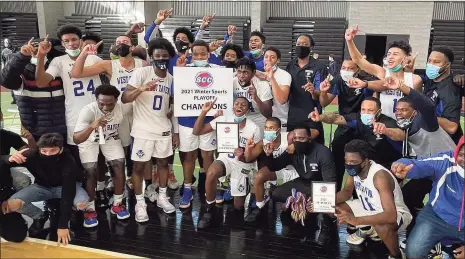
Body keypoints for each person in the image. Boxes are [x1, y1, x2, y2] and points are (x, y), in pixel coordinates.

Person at [122, 38, 178, 221]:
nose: (161, 58)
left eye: (164, 55)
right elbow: (125, 98)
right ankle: (140, 203)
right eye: (157, 55)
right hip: (142, 131)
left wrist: (175, 131)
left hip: (163, 129)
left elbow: (173, 106)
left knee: (163, 164)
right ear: (152, 56)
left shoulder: (171, 79)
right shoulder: (142, 73)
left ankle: (162, 196)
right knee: (138, 167)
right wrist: (142, 88)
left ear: (169, 57)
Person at [2, 133, 89, 245]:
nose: (48, 154)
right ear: (39, 149)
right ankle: (40, 216)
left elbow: (68, 192)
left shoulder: (69, 161)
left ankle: (71, 210)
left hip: (64, 187)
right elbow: (5, 163)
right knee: (11, 204)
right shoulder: (32, 157)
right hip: (42, 187)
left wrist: (62, 225)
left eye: (52, 151)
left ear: (61, 150)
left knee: (82, 203)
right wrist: (8, 158)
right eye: (44, 151)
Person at [331, 139, 411, 259]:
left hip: (396, 213)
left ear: (365, 161)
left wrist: (356, 220)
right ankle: (368, 227)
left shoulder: (379, 177)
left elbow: (390, 215)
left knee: (382, 225)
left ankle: (397, 255)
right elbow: (347, 192)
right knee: (331, 207)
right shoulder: (354, 171)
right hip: (368, 207)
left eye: (353, 161)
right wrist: (325, 200)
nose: (349, 164)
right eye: (346, 161)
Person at [35, 25, 103, 165]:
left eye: (74, 39)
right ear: (62, 43)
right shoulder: (59, 62)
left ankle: (101, 184)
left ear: (81, 41)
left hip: (97, 112)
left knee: (101, 152)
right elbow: (41, 82)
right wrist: (41, 55)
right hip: (74, 114)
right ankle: (81, 184)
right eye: (66, 41)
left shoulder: (94, 59)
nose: (71, 43)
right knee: (78, 156)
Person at [193, 97, 262, 229]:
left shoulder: (254, 128)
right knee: (211, 173)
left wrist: (244, 155)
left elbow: (253, 157)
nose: (239, 106)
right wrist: (203, 112)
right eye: (237, 104)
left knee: (238, 207)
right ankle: (209, 209)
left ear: (247, 109)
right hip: (226, 159)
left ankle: (242, 195)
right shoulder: (223, 120)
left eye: (243, 105)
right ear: (232, 107)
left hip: (243, 163)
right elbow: (197, 131)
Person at [391, 136, 465, 259]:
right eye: (462, 154)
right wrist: (401, 166)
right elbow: (421, 164)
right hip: (436, 216)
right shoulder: (446, 161)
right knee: (414, 252)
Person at [264, 124, 337, 245]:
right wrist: (269, 155)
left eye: (301, 138)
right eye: (295, 139)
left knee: (322, 203)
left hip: (320, 185)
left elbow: (329, 182)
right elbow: (274, 167)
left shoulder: (323, 152)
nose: (298, 141)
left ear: (309, 138)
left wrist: (315, 198)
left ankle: (326, 225)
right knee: (276, 193)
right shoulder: (292, 150)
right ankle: (292, 209)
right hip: (303, 182)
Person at [73, 84, 132, 226]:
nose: (105, 108)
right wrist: (93, 125)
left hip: (110, 138)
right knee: (90, 170)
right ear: (96, 100)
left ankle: (117, 203)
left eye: (110, 104)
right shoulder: (88, 111)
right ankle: (90, 207)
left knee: (119, 165)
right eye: (102, 104)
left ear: (116, 101)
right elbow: (76, 139)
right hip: (89, 139)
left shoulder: (123, 107)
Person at [175, 40, 221, 209]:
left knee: (208, 156)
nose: (200, 56)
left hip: (209, 121)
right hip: (187, 120)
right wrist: (179, 73)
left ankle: (210, 186)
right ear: (191, 55)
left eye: (203, 54)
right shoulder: (183, 71)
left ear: (209, 54)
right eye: (196, 54)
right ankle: (187, 188)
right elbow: (176, 95)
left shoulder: (218, 71)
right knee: (189, 157)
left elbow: (224, 93)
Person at [318, 58, 374, 190]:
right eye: (344, 67)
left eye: (350, 68)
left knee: (361, 165)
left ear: (358, 70)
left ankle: (358, 197)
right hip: (343, 127)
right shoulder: (338, 80)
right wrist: (323, 92)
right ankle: (334, 198)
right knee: (337, 162)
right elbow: (324, 103)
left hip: (361, 126)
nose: (346, 71)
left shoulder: (365, 82)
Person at [345, 25, 422, 119]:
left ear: (405, 58)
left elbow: (420, 104)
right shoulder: (383, 73)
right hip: (383, 124)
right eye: (389, 54)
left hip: (406, 126)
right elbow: (358, 59)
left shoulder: (415, 80)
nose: (390, 57)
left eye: (395, 54)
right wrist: (349, 41)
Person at [309, 97, 404, 169]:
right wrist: (320, 117)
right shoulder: (358, 118)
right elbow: (336, 118)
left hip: (388, 164)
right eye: (363, 110)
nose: (366, 113)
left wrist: (386, 130)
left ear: (378, 112)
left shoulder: (388, 122)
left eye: (370, 110)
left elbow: (400, 135)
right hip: (367, 163)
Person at [0, 37, 66, 140]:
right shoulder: (22, 72)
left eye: (42, 48)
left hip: (63, 129)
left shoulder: (57, 69)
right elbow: (5, 80)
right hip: (35, 132)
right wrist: (22, 56)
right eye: (34, 49)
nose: (38, 52)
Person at [244, 117, 299, 222]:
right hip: (277, 170)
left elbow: (305, 137)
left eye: (271, 128)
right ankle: (260, 205)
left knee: (287, 210)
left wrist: (295, 145)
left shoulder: (289, 137)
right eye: (266, 128)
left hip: (293, 171)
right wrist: (248, 148)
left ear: (279, 130)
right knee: (259, 176)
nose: (268, 131)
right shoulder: (263, 143)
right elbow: (248, 158)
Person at [286, 34, 328, 143]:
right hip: (293, 116)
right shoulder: (290, 65)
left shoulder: (320, 67)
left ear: (311, 48)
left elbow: (322, 95)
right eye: (298, 44)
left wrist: (314, 90)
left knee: (312, 148)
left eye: (305, 44)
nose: (301, 46)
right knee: (292, 149)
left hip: (312, 116)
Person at [423, 46, 463, 143]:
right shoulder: (431, 79)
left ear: (447, 65)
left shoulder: (451, 90)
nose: (431, 65)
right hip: (430, 138)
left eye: (436, 62)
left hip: (446, 144)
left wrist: (421, 116)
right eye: (429, 61)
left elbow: (452, 127)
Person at [234, 57, 272, 131]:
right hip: (237, 123)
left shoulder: (262, 84)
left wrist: (256, 98)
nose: (241, 75)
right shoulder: (231, 82)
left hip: (258, 123)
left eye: (245, 72)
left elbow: (268, 114)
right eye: (239, 72)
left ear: (253, 73)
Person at [263, 47, 292, 133]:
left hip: (280, 119)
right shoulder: (260, 75)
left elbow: (282, 100)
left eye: (272, 57)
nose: (268, 59)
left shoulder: (284, 75)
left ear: (278, 60)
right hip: (264, 119)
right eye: (266, 57)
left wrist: (272, 78)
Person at [1, 38, 18, 104]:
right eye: (5, 42)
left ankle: (18, 97)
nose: (7, 44)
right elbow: (3, 61)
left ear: (11, 42)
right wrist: (3, 70)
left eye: (8, 42)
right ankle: (14, 99)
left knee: (17, 84)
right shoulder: (4, 52)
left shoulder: (15, 50)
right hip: (8, 70)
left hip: (16, 69)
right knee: (10, 85)